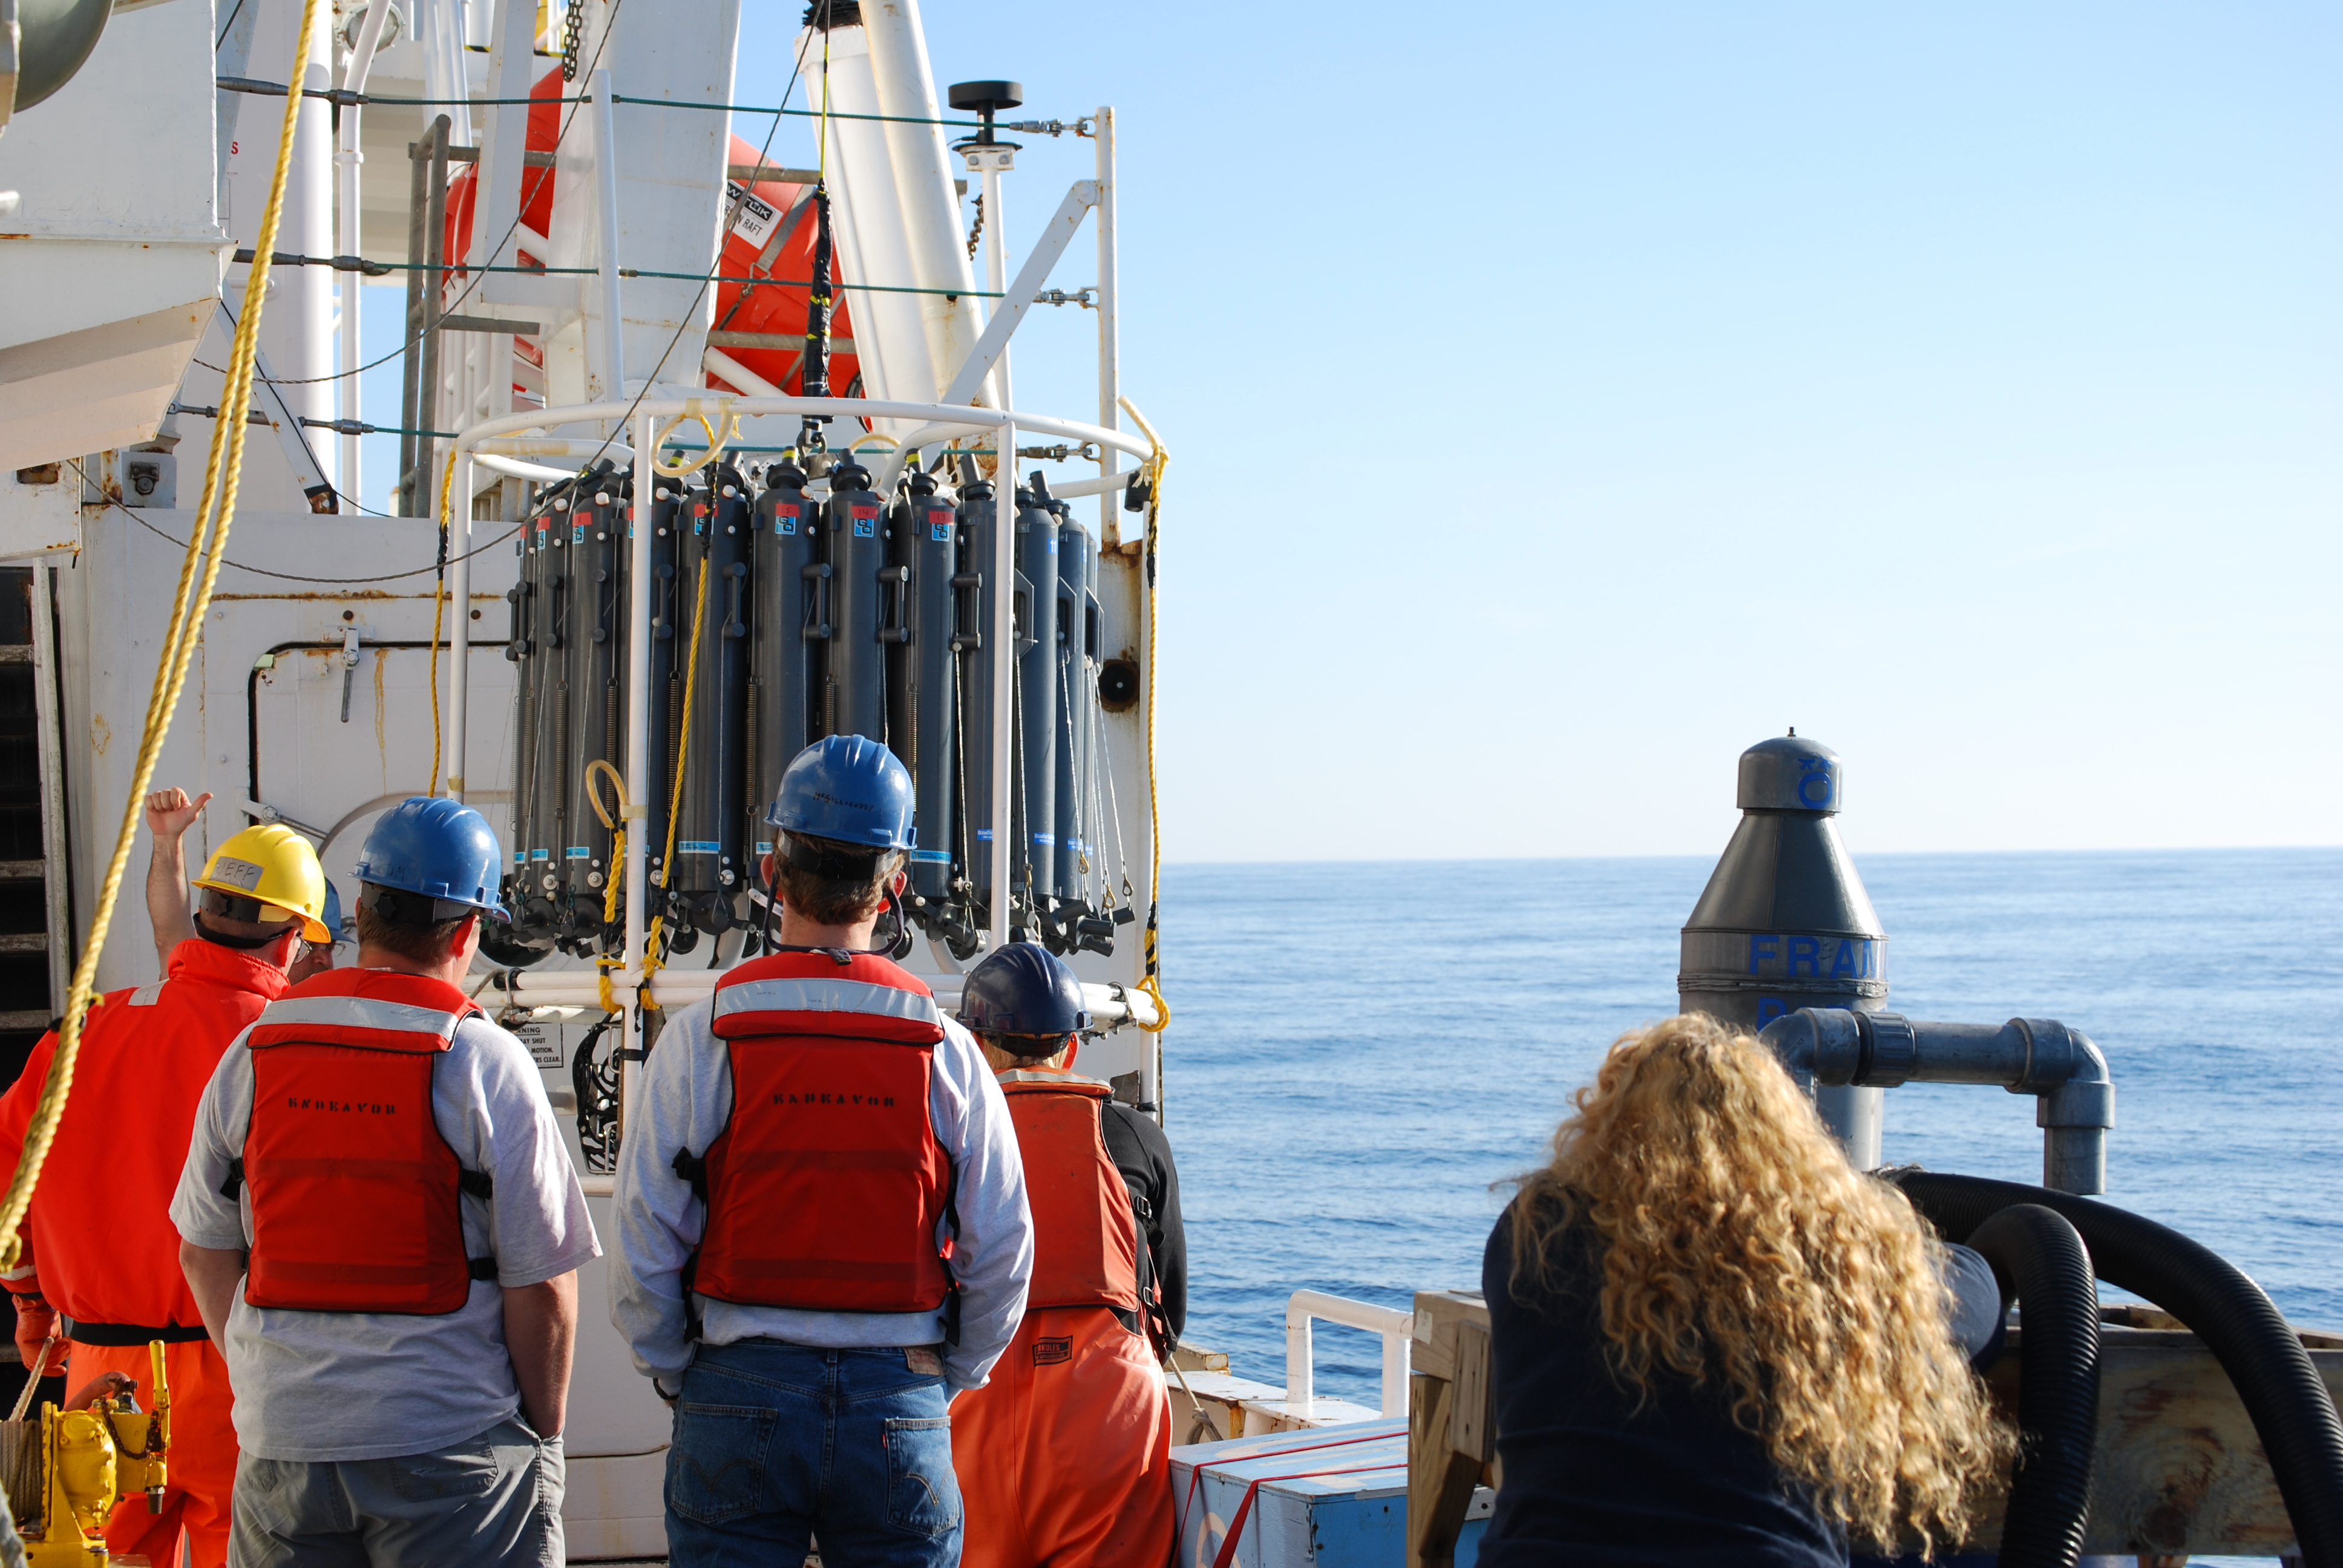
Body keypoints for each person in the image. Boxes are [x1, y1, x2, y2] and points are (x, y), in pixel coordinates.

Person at [611, 735, 1034, 1568]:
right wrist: (945, 1379)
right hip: (900, 1394)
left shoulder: (702, 1038)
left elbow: (643, 1237)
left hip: (734, 1383)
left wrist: (674, 1371)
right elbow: (1004, 1251)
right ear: (896, 886)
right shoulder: (947, 1050)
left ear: (773, 873)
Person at [171, 796, 598, 1568]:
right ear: (467, 932)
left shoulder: (254, 1050)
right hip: (449, 1445)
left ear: (361, 910)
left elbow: (203, 1252)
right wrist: (544, 1429)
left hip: (282, 1450)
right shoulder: (481, 1059)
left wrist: (273, 1384)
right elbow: (544, 1284)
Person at [1478, 1013, 2015, 1567]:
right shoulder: (1828, 1254)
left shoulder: (1536, 1234)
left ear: (1608, 1125)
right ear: (1790, 1136)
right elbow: (1976, 1306)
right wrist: (1871, 1223)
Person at [0, 821, 332, 1568]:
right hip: (240, 1373)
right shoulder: (284, 1046)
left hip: (101, 1375)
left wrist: (30, 1305)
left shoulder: (81, 1033)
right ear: (291, 941)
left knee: (96, 1557)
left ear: (205, 914)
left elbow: (7, 1184)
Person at [948, 941, 1185, 1568]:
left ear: (974, 1045)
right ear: (1072, 1047)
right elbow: (1170, 1314)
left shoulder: (945, 1133)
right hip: (1107, 1418)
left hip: (971, 1411)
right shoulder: (1135, 1136)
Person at [145, 788, 343, 984]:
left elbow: (169, 939)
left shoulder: (161, 995)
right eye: (307, 946)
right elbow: (169, 937)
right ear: (287, 944)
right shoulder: (268, 1006)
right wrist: (167, 841)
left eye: (330, 948)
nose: (324, 960)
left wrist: (167, 841)